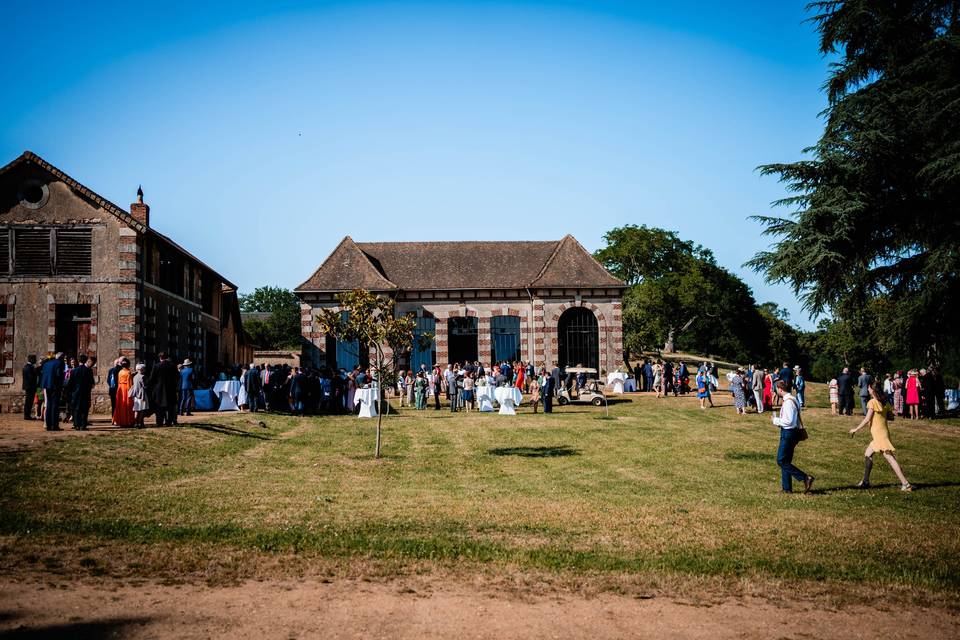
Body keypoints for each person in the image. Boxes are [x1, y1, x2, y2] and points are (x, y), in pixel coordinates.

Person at [849, 381, 912, 491]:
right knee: (868, 454)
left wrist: (856, 429)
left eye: (869, 388)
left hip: (880, 435)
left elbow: (867, 419)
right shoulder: (885, 402)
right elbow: (891, 417)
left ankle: (905, 484)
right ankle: (865, 481)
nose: (868, 389)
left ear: (872, 390)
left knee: (890, 458)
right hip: (883, 433)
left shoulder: (872, 402)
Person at [772, 380, 814, 494]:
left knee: (781, 460)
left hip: (788, 432)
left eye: (776, 389)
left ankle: (805, 477)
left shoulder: (788, 402)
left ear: (780, 389)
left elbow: (789, 421)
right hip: (793, 433)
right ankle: (787, 488)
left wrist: (776, 421)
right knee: (786, 460)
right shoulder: (794, 399)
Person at [148, 353, 179, 427]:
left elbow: (152, 378)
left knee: (159, 407)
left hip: (159, 389)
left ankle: (160, 422)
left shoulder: (156, 366)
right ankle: (169, 421)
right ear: (167, 357)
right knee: (170, 406)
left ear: (160, 358)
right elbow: (177, 377)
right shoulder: (173, 366)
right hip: (171, 389)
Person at [40, 352, 65, 431]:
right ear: (61, 357)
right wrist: (62, 385)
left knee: (49, 405)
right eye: (63, 358)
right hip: (55, 386)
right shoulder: (60, 363)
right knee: (55, 406)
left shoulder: (47, 363)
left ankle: (48, 425)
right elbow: (59, 375)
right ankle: (54, 425)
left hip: (47, 386)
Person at [70, 355, 95, 430]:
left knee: (77, 408)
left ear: (78, 361)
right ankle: (83, 425)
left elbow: (71, 383)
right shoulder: (89, 370)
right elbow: (92, 383)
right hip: (86, 392)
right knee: (84, 408)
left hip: (76, 392)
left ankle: (77, 424)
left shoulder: (74, 370)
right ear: (86, 360)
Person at [112, 359, 135, 427]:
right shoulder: (128, 372)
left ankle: (120, 420)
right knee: (128, 405)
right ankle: (128, 421)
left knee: (120, 405)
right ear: (128, 364)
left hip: (120, 388)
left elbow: (118, 381)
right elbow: (129, 383)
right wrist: (131, 391)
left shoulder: (120, 372)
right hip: (126, 388)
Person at [131, 363, 149, 428]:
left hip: (136, 395)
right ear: (142, 369)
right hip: (142, 394)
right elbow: (145, 386)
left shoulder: (134, 377)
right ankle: (140, 423)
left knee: (136, 410)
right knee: (142, 410)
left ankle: (136, 423)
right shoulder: (143, 376)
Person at [22, 355, 38, 420]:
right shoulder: (29, 367)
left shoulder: (27, 367)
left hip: (28, 387)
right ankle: (27, 415)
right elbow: (31, 378)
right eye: (34, 359)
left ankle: (27, 415)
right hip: (30, 387)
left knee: (28, 401)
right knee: (29, 401)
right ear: (31, 360)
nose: (35, 361)